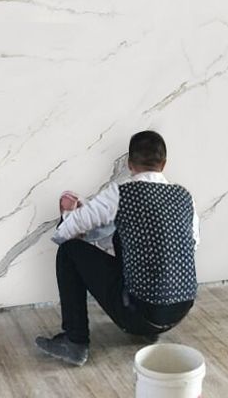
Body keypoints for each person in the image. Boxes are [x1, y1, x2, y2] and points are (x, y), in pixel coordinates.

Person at [35, 130, 199, 366]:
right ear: (164, 164)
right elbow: (191, 244)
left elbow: (65, 233)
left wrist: (69, 214)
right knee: (127, 236)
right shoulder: (184, 196)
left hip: (140, 312)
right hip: (179, 311)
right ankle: (148, 330)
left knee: (69, 250)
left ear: (129, 163)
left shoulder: (121, 193)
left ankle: (75, 341)